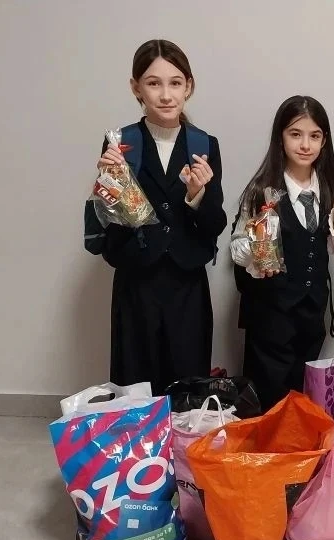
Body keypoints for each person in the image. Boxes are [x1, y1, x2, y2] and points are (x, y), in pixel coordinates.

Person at [84, 39, 226, 396]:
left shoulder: (204, 145)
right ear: (136, 88)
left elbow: (215, 225)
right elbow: (108, 221)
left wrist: (197, 196)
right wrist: (108, 185)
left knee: (187, 387)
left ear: (188, 86)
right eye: (153, 83)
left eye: (175, 83)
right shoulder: (121, 144)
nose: (165, 94)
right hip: (136, 280)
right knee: (136, 387)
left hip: (187, 283)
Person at [231, 96, 334, 411]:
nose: (305, 144)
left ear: (324, 141)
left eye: (314, 136)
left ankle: (298, 442)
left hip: (312, 312)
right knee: (268, 396)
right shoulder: (260, 191)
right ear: (281, 137)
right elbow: (236, 249)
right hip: (270, 313)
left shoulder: (328, 189)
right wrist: (257, 244)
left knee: (302, 395)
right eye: (295, 134)